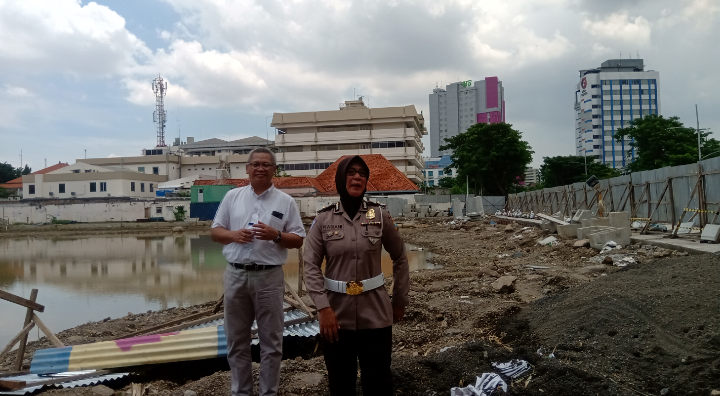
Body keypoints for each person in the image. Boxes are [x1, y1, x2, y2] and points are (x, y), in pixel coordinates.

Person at [303, 155, 410, 396]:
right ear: (342, 178)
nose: (357, 176)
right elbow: (310, 264)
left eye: (362, 173)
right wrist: (323, 308)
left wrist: (400, 300)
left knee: (379, 382)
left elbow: (401, 257)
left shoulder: (380, 215)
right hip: (335, 317)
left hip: (376, 314)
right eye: (351, 172)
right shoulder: (323, 219)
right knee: (341, 384)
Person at [211, 147, 306, 396]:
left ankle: (268, 393)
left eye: (266, 164)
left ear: (274, 170)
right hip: (236, 275)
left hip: (269, 277)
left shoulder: (285, 202)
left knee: (271, 342)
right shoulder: (232, 197)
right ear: (247, 168)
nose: (260, 168)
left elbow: (297, 239)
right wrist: (233, 235)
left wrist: (276, 235)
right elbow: (215, 232)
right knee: (236, 341)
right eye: (256, 164)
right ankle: (241, 392)